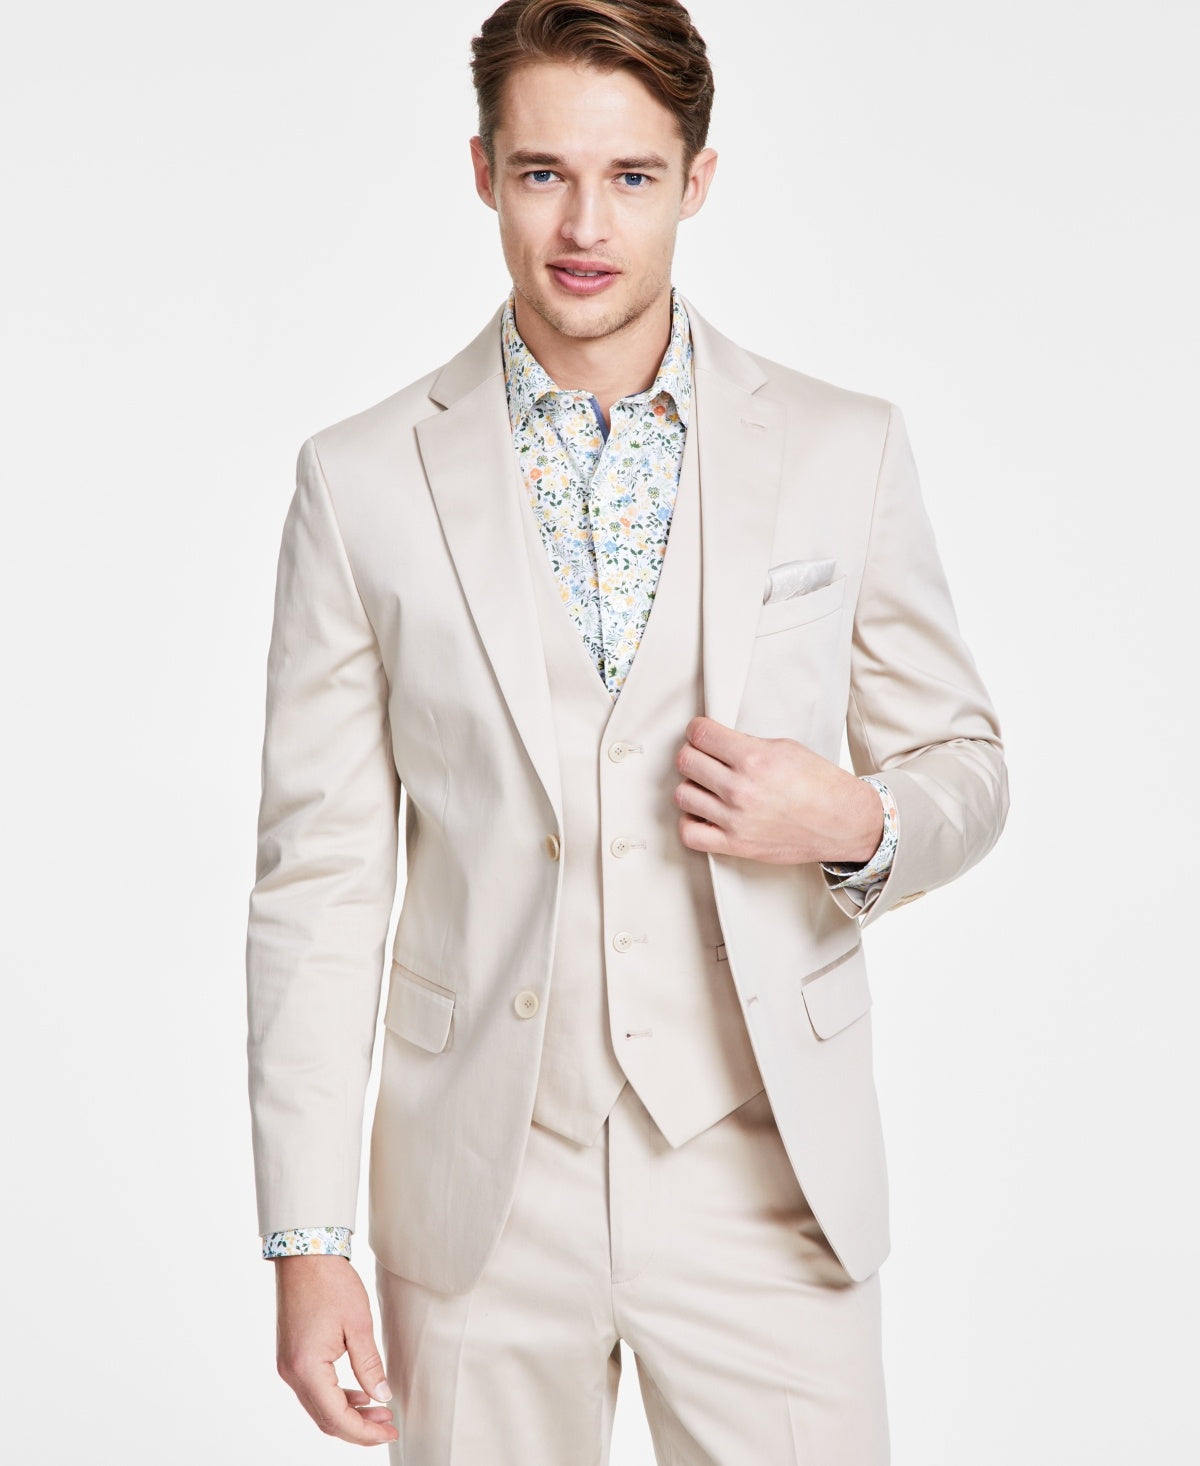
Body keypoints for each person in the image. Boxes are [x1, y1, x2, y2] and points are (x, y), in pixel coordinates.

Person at [245, 2, 1009, 1461]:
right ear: (483, 171)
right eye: (544, 172)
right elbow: (320, 880)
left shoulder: (843, 447)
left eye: (632, 176)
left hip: (767, 1179)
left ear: (696, 180)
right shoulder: (361, 483)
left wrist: (853, 821)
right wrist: (305, 1237)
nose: (585, 225)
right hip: (479, 1193)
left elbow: (968, 764)